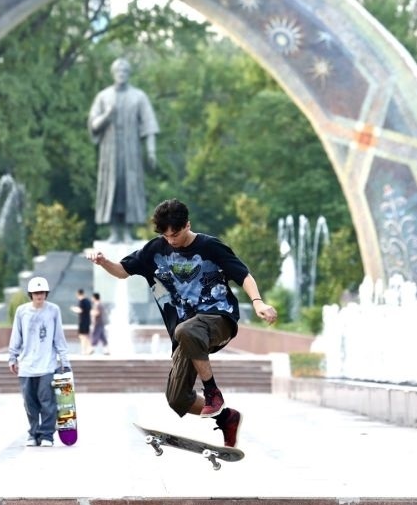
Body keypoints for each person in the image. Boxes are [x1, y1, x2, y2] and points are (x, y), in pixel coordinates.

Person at [87, 199, 277, 448]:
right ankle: (226, 418)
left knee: (187, 329)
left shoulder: (210, 246)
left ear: (187, 225)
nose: (171, 240)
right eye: (165, 235)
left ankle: (212, 392)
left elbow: (244, 275)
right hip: (185, 334)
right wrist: (104, 262)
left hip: (219, 318)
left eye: (175, 234)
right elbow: (122, 271)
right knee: (177, 398)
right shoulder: (155, 249)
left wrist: (258, 302)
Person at [88, 57, 160, 243]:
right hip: (109, 151)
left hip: (131, 151)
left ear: (129, 74)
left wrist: (151, 151)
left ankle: (128, 231)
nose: (121, 74)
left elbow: (149, 125)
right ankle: (114, 231)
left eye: (125, 71)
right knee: (111, 187)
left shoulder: (138, 96)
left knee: (130, 188)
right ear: (113, 73)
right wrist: (107, 115)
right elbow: (93, 125)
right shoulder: (103, 96)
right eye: (118, 71)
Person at [7, 276, 72, 447]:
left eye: (42, 292)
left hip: (47, 365)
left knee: (48, 402)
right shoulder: (21, 311)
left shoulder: (53, 310)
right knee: (29, 403)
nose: (39, 295)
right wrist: (12, 357)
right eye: (36, 293)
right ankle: (33, 433)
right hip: (26, 365)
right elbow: (16, 335)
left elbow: (59, 337)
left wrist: (65, 361)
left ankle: (47, 435)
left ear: (46, 293)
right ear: (31, 294)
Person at [70, 288, 92, 355]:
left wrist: (73, 309)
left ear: (78, 294)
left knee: (82, 336)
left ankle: (84, 350)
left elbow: (80, 310)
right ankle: (89, 348)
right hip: (87, 320)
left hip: (83, 321)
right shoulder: (88, 301)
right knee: (85, 335)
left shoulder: (82, 301)